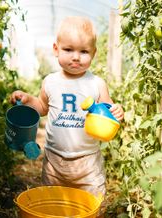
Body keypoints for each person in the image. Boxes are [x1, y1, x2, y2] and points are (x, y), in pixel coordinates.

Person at [10, 16, 124, 217]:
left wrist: (117, 111)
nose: (76, 57)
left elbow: (108, 113)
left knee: (93, 207)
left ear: (93, 53)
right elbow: (42, 107)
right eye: (68, 50)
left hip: (88, 162)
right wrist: (28, 99)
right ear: (56, 49)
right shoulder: (50, 82)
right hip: (55, 160)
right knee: (53, 204)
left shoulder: (97, 84)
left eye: (84, 51)